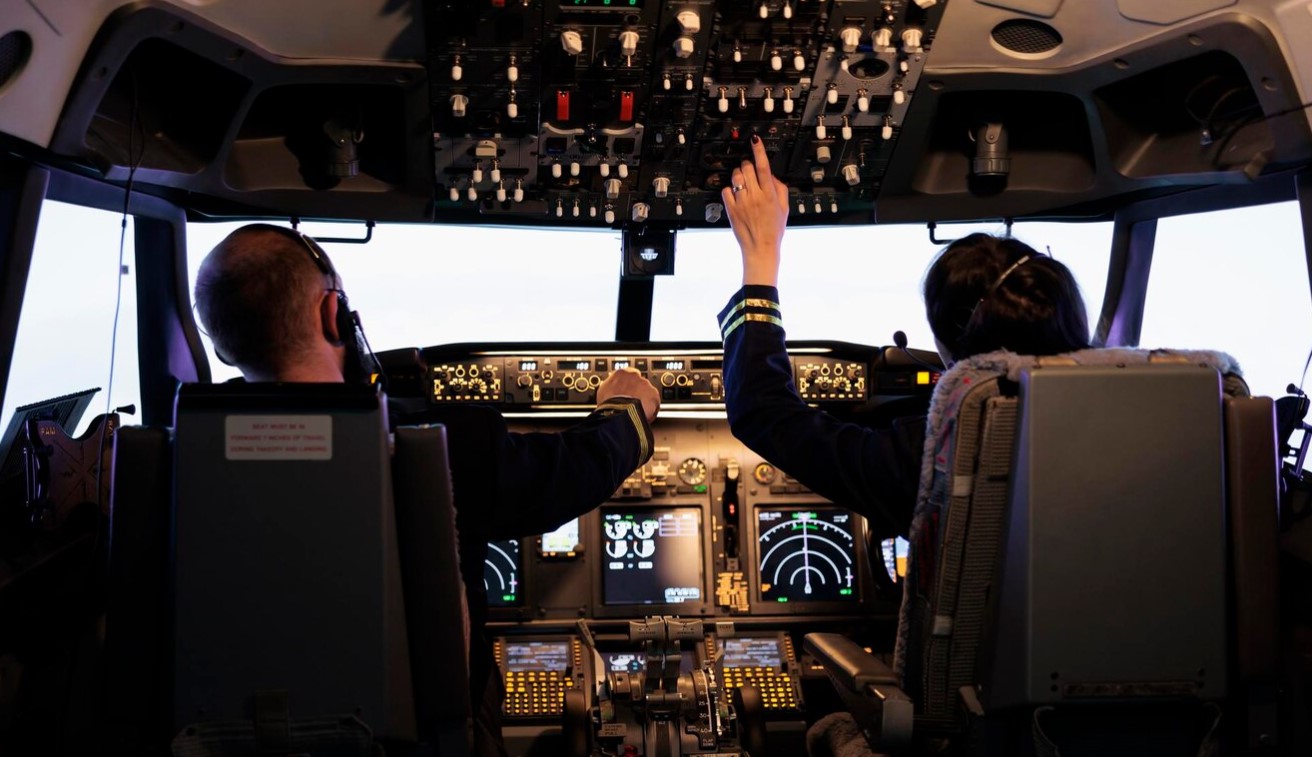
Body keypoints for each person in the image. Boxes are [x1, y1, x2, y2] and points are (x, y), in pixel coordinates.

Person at [192, 223, 661, 757]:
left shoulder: (189, 456)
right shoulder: (435, 444)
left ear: (226, 349)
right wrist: (627, 414)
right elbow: (562, 477)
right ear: (333, 314)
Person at [716, 135, 1090, 544]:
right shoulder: (1133, 422)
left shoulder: (941, 454)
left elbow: (763, 411)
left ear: (953, 351)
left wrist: (761, 254)